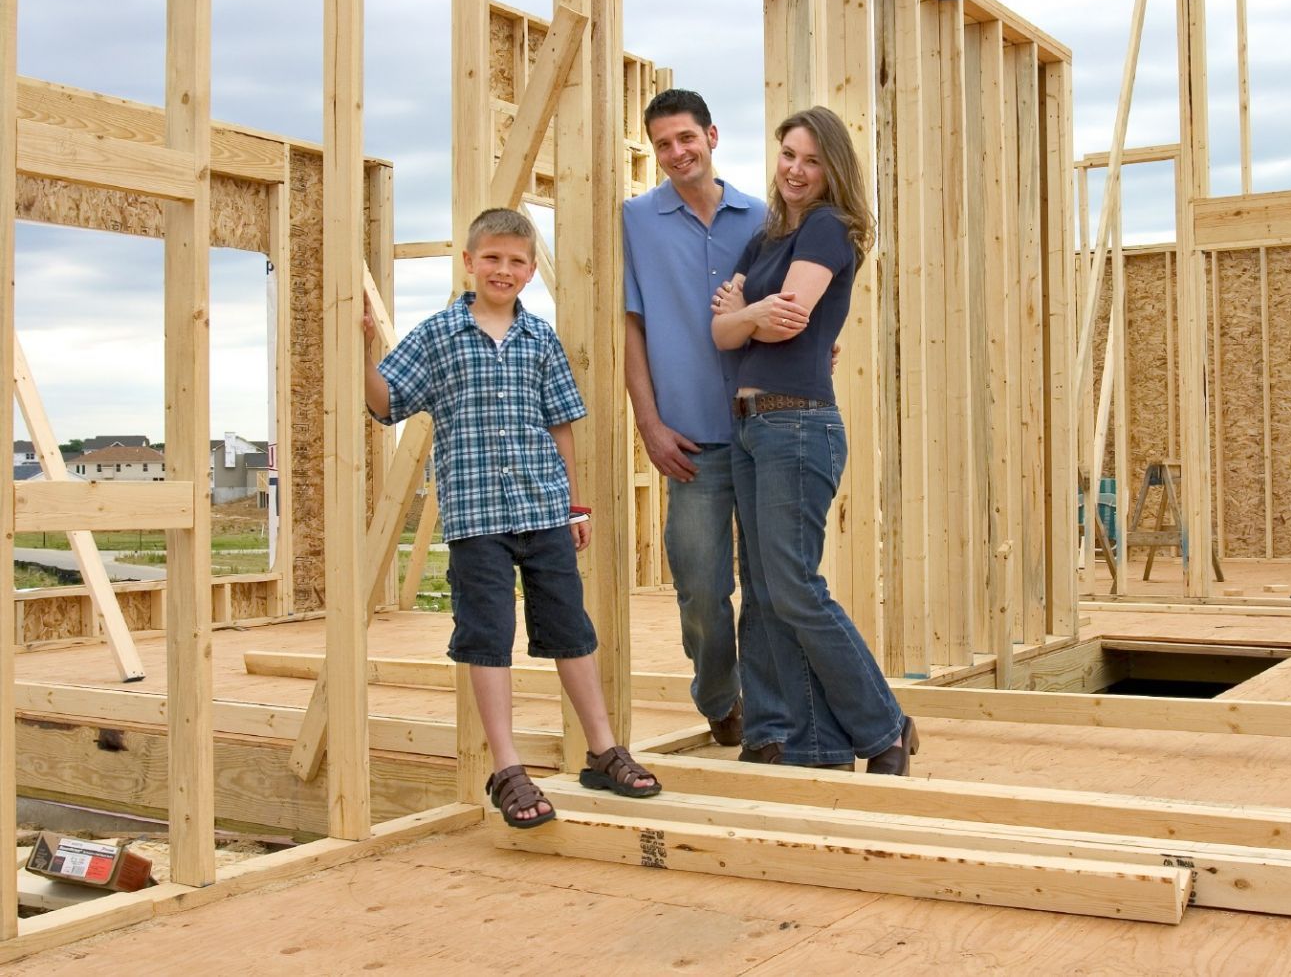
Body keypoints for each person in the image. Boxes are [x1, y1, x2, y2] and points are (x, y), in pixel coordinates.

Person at [365, 206, 660, 827]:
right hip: (476, 521)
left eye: (516, 261)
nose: (503, 269)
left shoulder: (540, 338)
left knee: (571, 631)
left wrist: (575, 504)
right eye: (491, 258)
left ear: (529, 272)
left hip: (544, 507)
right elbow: (387, 403)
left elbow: (561, 426)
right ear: (469, 263)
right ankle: (507, 768)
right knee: (488, 637)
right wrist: (362, 354)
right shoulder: (437, 335)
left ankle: (603, 750)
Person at [710, 106, 918, 775]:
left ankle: (885, 726)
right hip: (749, 426)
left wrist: (749, 317)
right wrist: (750, 317)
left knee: (795, 586)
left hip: (796, 422)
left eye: (811, 159)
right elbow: (722, 333)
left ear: (832, 169)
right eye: (788, 155)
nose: (795, 170)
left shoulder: (829, 228)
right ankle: (796, 739)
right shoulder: (770, 238)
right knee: (764, 590)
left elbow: (787, 324)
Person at [623, 89, 785, 763]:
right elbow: (631, 327)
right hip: (690, 437)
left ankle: (768, 713)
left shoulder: (765, 217)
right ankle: (720, 698)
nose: (677, 153)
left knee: (774, 585)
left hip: (766, 427)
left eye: (687, 138)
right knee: (700, 586)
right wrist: (649, 422)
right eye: (663, 144)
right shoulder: (635, 221)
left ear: (712, 135)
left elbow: (796, 301)